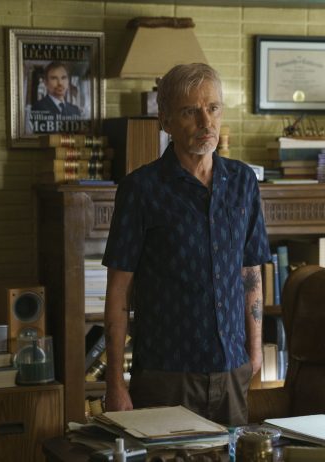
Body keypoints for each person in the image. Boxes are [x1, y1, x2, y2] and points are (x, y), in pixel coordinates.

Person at [102, 63, 271, 426]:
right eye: (190, 112)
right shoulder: (140, 190)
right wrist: (114, 381)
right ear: (165, 121)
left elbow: (251, 271)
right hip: (165, 374)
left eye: (213, 108)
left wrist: (254, 350)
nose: (206, 122)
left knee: (232, 452)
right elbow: (118, 292)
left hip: (231, 370)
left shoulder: (243, 182)